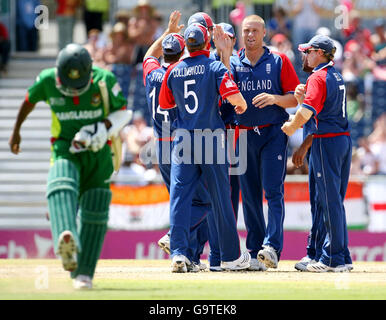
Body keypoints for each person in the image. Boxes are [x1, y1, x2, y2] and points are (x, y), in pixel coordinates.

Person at [9, 43, 132, 288]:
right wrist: (16, 131)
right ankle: (67, 237)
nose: (73, 91)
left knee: (96, 207)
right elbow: (28, 100)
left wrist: (102, 127)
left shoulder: (104, 80)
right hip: (65, 146)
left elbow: (123, 113)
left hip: (99, 151)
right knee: (61, 182)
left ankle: (84, 274)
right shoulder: (47, 81)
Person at [159, 23, 251, 272]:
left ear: (186, 45)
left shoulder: (174, 70)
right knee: (221, 196)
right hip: (210, 137)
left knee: (180, 197)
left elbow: (166, 104)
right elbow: (235, 99)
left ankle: (178, 253)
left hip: (182, 139)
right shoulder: (214, 66)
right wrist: (241, 104)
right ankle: (231, 257)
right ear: (206, 43)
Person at [143, 11, 211, 271]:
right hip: (183, 142)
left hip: (160, 143)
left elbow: (149, 55)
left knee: (180, 199)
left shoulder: (152, 73)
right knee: (202, 201)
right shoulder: (182, 75)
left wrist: (166, 34)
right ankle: (176, 237)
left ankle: (188, 257)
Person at [230, 15, 299, 271]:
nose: (250, 35)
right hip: (244, 134)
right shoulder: (233, 62)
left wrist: (274, 99)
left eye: (255, 31)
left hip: (272, 133)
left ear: (264, 34)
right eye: (246, 31)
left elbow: (294, 99)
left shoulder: (279, 60)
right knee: (248, 196)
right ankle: (255, 249)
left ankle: (271, 247)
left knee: (273, 191)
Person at [282, 34, 353, 272]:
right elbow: (320, 107)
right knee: (330, 200)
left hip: (326, 142)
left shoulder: (319, 76)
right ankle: (335, 254)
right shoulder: (335, 74)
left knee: (328, 200)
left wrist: (291, 126)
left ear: (320, 53)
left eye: (309, 51)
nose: (305, 55)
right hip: (340, 141)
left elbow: (307, 113)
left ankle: (332, 258)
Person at [103, 22, 136, 100]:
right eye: (117, 34)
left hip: (125, 71)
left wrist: (115, 58)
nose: (119, 36)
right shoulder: (110, 45)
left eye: (121, 34)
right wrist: (115, 58)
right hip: (114, 71)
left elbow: (129, 59)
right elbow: (106, 57)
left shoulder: (127, 46)